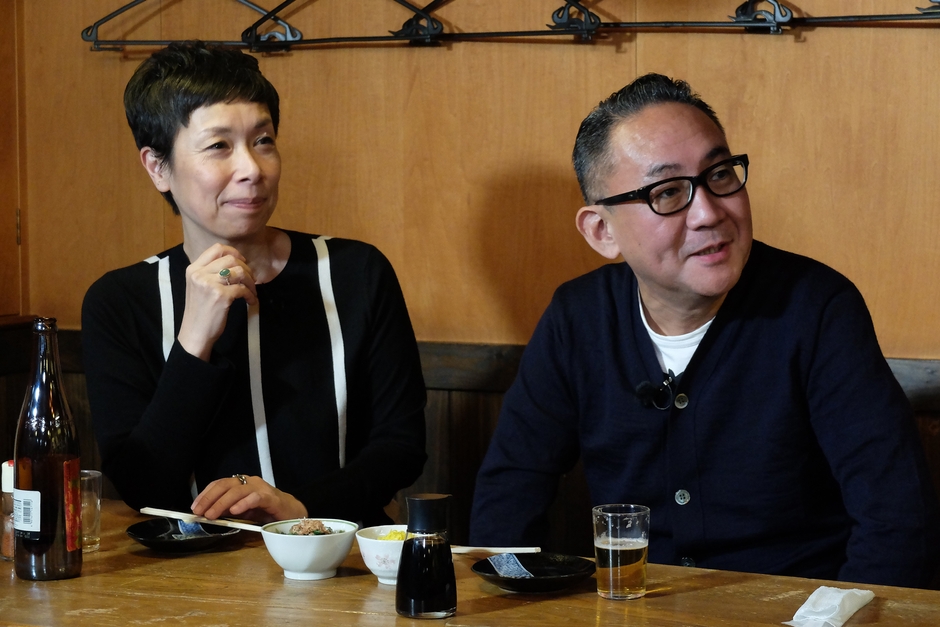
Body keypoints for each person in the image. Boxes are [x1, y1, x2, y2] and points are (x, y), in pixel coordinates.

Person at [469, 73, 940, 587]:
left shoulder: (817, 308)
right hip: (630, 610)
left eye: (719, 174)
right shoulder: (577, 318)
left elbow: (898, 519)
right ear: (602, 232)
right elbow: (509, 495)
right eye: (668, 192)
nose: (709, 213)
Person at [81, 41, 427, 527]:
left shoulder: (356, 272)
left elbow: (402, 446)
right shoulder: (119, 302)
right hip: (194, 566)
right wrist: (194, 340)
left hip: (340, 552)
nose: (252, 169)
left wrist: (299, 508)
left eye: (263, 141)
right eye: (219, 146)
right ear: (158, 167)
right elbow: (143, 486)